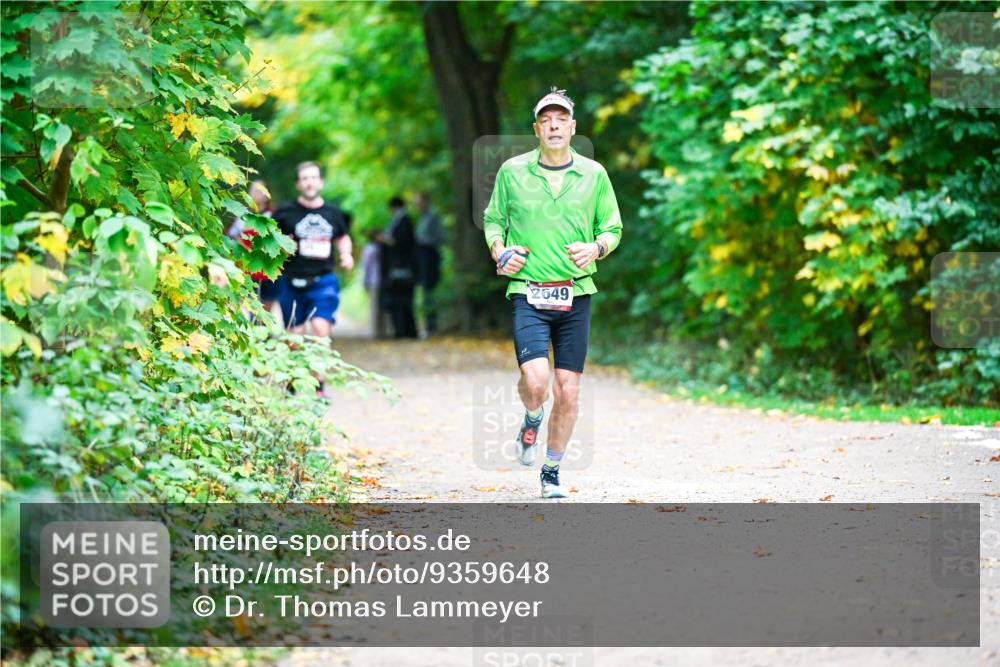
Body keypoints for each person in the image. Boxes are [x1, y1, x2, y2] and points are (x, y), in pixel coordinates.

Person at [483, 87, 623, 498]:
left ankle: (551, 471)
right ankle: (531, 417)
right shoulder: (512, 172)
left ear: (573, 127)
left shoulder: (594, 175)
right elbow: (493, 221)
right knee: (537, 380)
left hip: (576, 293)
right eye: (547, 120)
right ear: (537, 129)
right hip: (528, 290)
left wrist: (596, 248)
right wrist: (500, 250)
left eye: (561, 119)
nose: (555, 125)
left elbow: (612, 229)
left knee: (569, 388)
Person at [272, 161, 354, 338]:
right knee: (294, 338)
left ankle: (319, 366)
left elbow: (342, 236)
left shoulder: (333, 213)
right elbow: (268, 240)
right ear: (298, 184)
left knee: (320, 329)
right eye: (304, 178)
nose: (309, 182)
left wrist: (346, 254)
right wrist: (282, 247)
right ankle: (298, 366)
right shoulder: (284, 212)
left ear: (321, 182)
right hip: (291, 280)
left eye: (313, 178)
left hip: (323, 280)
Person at [226, 180, 283, 310]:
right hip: (246, 270)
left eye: (260, 190)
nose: (256, 193)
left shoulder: (275, 216)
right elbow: (231, 237)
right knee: (248, 308)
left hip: (268, 271)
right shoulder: (241, 216)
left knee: (265, 312)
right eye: (253, 190)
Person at [377, 196, 418, 339]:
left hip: (401, 269)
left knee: (401, 301)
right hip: (400, 269)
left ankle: (404, 331)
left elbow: (401, 243)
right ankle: (403, 331)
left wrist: (385, 240)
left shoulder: (404, 222)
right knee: (401, 302)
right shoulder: (401, 222)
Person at [414, 191, 444, 335]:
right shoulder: (422, 218)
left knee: (430, 291)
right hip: (422, 257)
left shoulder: (433, 217)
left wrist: (425, 243)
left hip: (430, 257)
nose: (417, 205)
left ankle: (432, 326)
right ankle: (427, 325)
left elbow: (439, 237)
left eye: (419, 202)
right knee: (425, 292)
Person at [360, 228, 384, 339]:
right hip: (374, 281)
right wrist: (365, 282)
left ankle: (381, 332)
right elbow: (366, 267)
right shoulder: (371, 249)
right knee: (375, 308)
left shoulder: (379, 249)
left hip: (381, 281)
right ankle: (375, 332)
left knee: (381, 308)